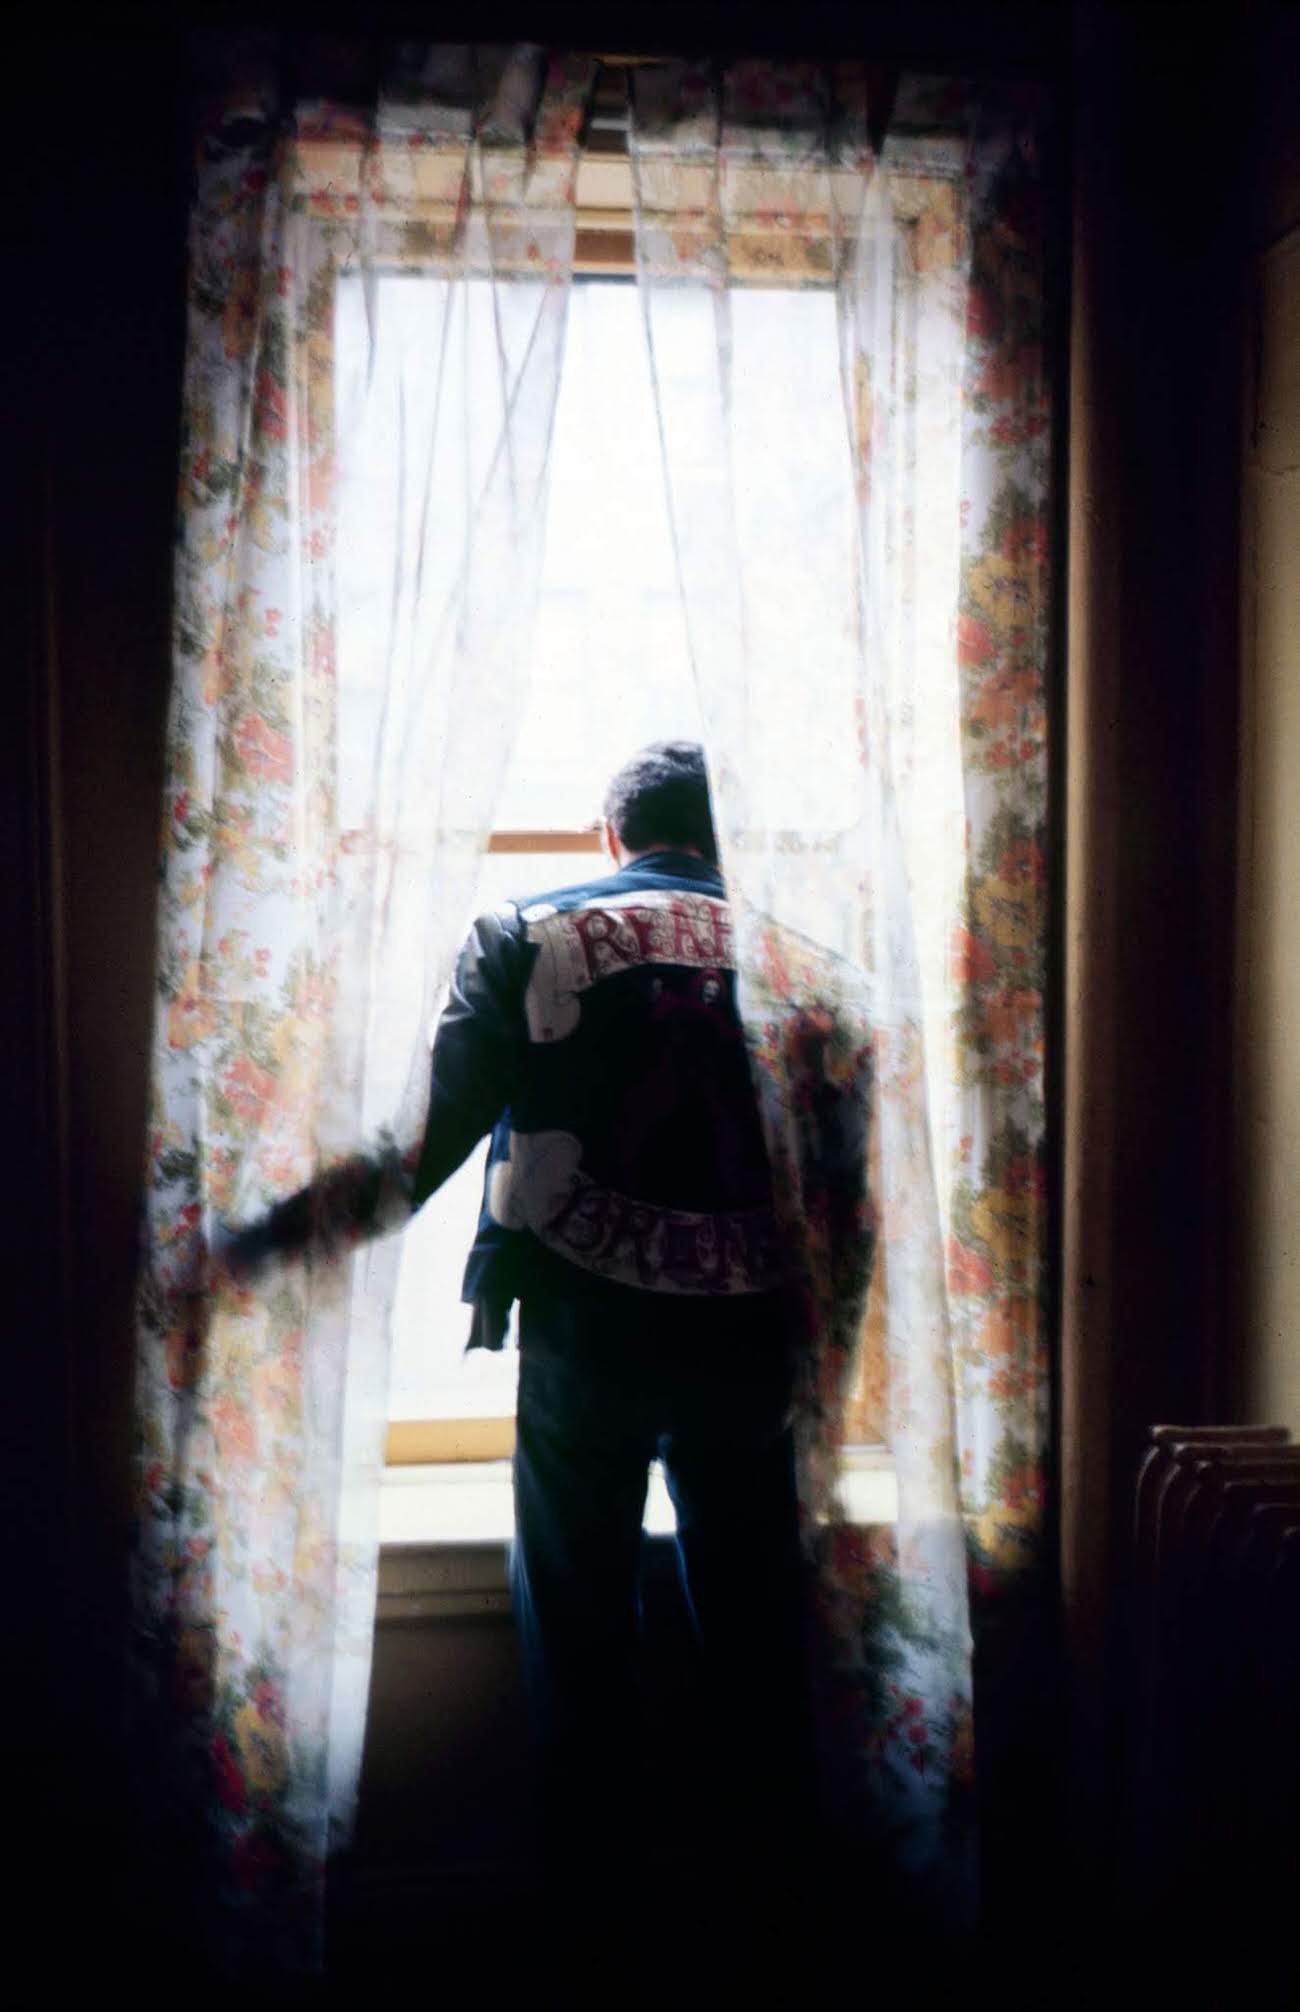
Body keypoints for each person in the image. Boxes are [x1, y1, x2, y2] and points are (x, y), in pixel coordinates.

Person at [215, 741, 830, 1996]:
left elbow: (418, 1144)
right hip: (747, 1338)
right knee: (760, 1653)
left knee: (581, 1638)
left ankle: (589, 1946)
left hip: (583, 1329)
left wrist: (257, 1244)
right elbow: (845, 1188)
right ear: (723, 835)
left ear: (611, 836)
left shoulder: (525, 933)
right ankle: (776, 1943)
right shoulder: (797, 955)